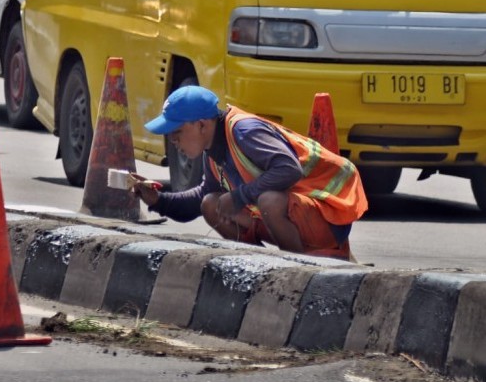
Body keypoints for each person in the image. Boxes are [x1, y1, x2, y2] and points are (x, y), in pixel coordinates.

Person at [133, 86, 368, 261]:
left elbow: (288, 169)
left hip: (330, 215)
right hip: (300, 214)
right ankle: (259, 266)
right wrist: (158, 200)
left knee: (269, 201)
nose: (173, 140)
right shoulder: (212, 151)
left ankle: (299, 268)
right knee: (211, 203)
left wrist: (238, 196)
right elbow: (199, 201)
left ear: (202, 125)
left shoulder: (245, 131)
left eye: (177, 132)